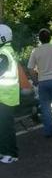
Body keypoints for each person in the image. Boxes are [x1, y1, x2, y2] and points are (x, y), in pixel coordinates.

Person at [0, 25, 32, 163]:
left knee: (5, 126)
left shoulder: (3, 53)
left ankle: (11, 154)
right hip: (8, 95)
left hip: (5, 96)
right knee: (5, 126)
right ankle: (6, 152)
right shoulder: (8, 50)